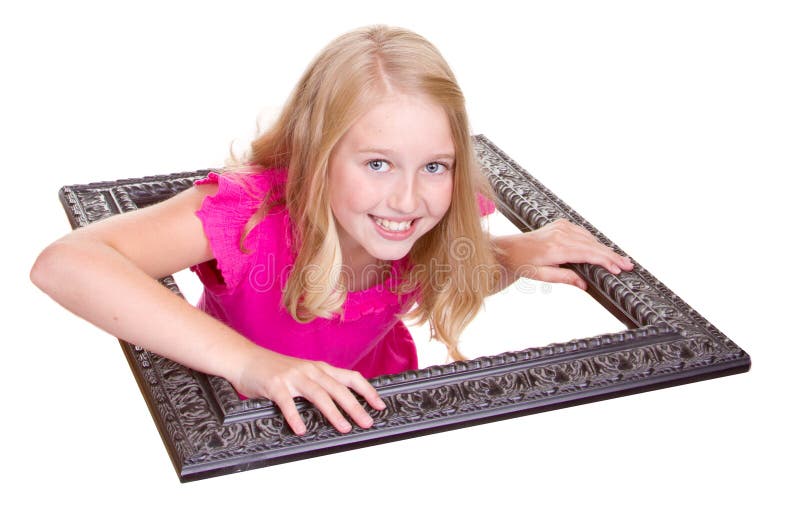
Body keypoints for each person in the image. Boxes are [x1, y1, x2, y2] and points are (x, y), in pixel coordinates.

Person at [30, 25, 633, 437]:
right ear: (317, 155)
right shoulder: (248, 217)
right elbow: (67, 263)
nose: (407, 198)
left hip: (377, 403)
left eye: (434, 166)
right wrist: (252, 365)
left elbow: (440, 269)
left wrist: (507, 254)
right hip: (251, 418)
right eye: (376, 163)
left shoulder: (433, 212)